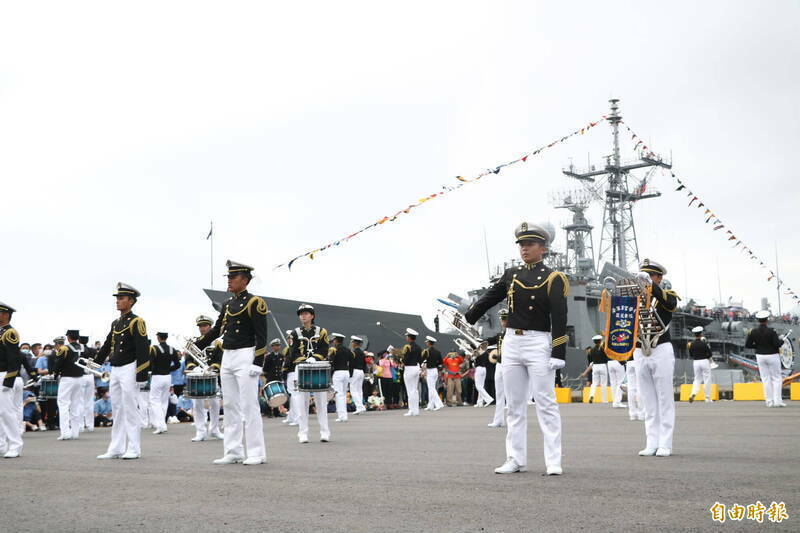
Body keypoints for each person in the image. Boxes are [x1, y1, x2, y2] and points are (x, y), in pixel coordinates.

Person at [465, 222, 567, 475]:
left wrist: (558, 352)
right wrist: (470, 316)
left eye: (530, 244)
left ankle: (553, 460)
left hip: (538, 341)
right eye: (522, 244)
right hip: (511, 341)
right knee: (514, 404)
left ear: (543, 249)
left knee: (545, 402)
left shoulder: (554, 278)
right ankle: (515, 458)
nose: (524, 249)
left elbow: (560, 317)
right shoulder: (511, 274)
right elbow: (491, 296)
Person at [194, 261, 268, 464]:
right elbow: (218, 329)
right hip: (227, 355)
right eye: (228, 277)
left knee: (249, 404)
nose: (229, 280)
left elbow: (262, 336)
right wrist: (199, 344)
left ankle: (256, 452)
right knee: (230, 404)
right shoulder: (227, 304)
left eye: (232, 277)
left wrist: (258, 362)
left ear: (244, 280)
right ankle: (233, 450)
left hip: (246, 355)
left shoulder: (255, 302)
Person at [93, 283, 151, 460]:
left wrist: (141, 374)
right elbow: (107, 344)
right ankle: (116, 447)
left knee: (130, 408)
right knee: (117, 408)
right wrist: (95, 363)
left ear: (131, 301)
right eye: (117, 298)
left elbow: (143, 350)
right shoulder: (116, 322)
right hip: (115, 368)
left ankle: (134, 448)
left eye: (121, 298)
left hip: (129, 368)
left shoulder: (137, 321)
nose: (118, 301)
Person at [633, 259, 679, 457]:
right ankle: (651, 441)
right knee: (648, 400)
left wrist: (652, 287)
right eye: (642, 276)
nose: (644, 279)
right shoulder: (635, 298)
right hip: (640, 350)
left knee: (664, 398)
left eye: (649, 276)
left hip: (660, 348)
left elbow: (670, 303)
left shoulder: (667, 296)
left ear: (659, 278)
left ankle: (665, 443)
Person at [285, 304, 331, 443]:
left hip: (318, 367)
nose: (303, 316)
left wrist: (315, 358)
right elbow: (293, 352)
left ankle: (325, 432)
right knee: (301, 401)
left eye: (306, 313)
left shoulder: (322, 331)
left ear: (312, 316)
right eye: (301, 314)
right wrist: (304, 360)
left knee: (321, 402)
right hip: (302, 367)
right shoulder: (295, 333)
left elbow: (324, 349)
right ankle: (302, 432)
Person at [0, 302, 33, 458]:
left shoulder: (10, 333)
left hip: (4, 375)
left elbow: (14, 360)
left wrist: (8, 381)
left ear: (5, 315)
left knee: (6, 412)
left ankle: (15, 444)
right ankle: (1, 445)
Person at [746, 310, 785, 407]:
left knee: (765, 379)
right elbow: (777, 344)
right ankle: (777, 401)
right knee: (776, 378)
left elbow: (748, 345)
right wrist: (782, 340)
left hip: (760, 356)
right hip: (772, 355)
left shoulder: (753, 331)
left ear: (758, 320)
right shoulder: (772, 331)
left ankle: (769, 401)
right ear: (767, 320)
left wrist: (758, 347)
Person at [53, 329, 86, 441]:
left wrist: (55, 374)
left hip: (67, 378)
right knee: (76, 405)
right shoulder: (83, 348)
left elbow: (58, 364)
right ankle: (75, 432)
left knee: (63, 404)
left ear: (68, 337)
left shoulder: (64, 348)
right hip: (80, 378)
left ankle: (65, 432)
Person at [148, 332, 181, 434]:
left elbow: (150, 364)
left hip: (157, 376)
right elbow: (178, 364)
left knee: (154, 400)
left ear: (158, 338)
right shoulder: (172, 349)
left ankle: (160, 425)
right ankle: (162, 424)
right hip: (168, 376)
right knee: (164, 401)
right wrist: (168, 368)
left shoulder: (154, 349)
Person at [485, 309, 508, 427]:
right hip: (500, 364)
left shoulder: (514, 333)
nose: (503, 321)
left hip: (511, 365)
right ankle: (499, 419)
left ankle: (513, 419)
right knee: (499, 393)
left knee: (511, 394)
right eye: (502, 319)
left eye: (505, 319)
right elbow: (488, 341)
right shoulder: (500, 335)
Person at [328, 333, 353, 422]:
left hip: (338, 373)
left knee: (339, 394)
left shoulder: (333, 350)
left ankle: (341, 415)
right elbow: (352, 361)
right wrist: (350, 373)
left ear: (335, 340)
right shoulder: (348, 350)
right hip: (346, 372)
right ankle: (344, 415)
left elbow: (330, 362)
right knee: (343, 394)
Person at [398, 329, 422, 417]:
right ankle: (416, 410)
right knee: (415, 390)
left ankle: (411, 410)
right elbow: (421, 359)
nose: (406, 338)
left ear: (409, 337)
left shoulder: (407, 347)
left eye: (407, 336)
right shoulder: (419, 347)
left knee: (410, 390)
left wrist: (400, 358)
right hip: (416, 368)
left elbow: (405, 359)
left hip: (409, 369)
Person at [688, 326, 714, 403]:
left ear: (694, 334)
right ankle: (707, 397)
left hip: (695, 362)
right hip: (704, 361)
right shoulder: (704, 343)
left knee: (697, 379)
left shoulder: (691, 344)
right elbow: (710, 354)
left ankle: (693, 393)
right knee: (707, 379)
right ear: (701, 334)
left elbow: (691, 355)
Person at [581, 335, 608, 403]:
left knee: (594, 383)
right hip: (603, 365)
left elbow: (590, 361)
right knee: (603, 383)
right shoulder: (603, 349)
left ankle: (591, 396)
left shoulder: (591, 350)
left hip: (595, 366)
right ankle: (604, 399)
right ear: (600, 340)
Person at [281, 330, 299, 426]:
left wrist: (283, 371)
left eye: (289, 338)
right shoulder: (293, 348)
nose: (288, 340)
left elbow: (287, 362)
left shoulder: (292, 349)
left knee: (295, 396)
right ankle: (291, 417)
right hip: (293, 373)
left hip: (292, 374)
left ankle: (297, 419)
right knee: (293, 396)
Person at [263, 338, 285, 418]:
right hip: (271, 378)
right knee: (270, 396)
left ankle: (276, 412)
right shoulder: (269, 357)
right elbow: (265, 369)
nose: (277, 347)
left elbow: (281, 368)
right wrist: (268, 377)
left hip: (278, 378)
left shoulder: (281, 356)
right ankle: (268, 412)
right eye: (276, 345)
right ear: (272, 347)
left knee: (277, 396)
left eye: (278, 345)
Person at [79, 335, 97, 432]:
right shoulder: (92, 351)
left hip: (80, 375)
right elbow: (93, 364)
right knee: (89, 401)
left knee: (80, 401)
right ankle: (90, 425)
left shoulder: (78, 350)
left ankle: (81, 425)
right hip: (90, 375)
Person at [421, 336, 444, 411]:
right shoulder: (437, 352)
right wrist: (437, 367)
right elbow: (441, 362)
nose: (426, 343)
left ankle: (439, 404)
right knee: (431, 388)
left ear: (429, 343)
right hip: (435, 370)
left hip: (430, 370)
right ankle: (430, 405)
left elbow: (422, 359)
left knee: (431, 388)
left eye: (427, 342)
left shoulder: (426, 351)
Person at [349, 336, 367, 414]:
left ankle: (359, 407)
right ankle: (360, 407)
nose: (351, 343)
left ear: (355, 343)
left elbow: (351, 364)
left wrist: (350, 373)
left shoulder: (354, 352)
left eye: (352, 342)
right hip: (361, 372)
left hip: (355, 371)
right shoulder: (362, 352)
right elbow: (364, 363)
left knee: (353, 390)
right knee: (359, 390)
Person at [473, 343, 494, 407]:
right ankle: (480, 402)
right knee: (481, 386)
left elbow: (472, 358)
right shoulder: (486, 353)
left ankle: (488, 399)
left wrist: (474, 354)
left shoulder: (477, 352)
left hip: (479, 369)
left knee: (478, 386)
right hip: (484, 369)